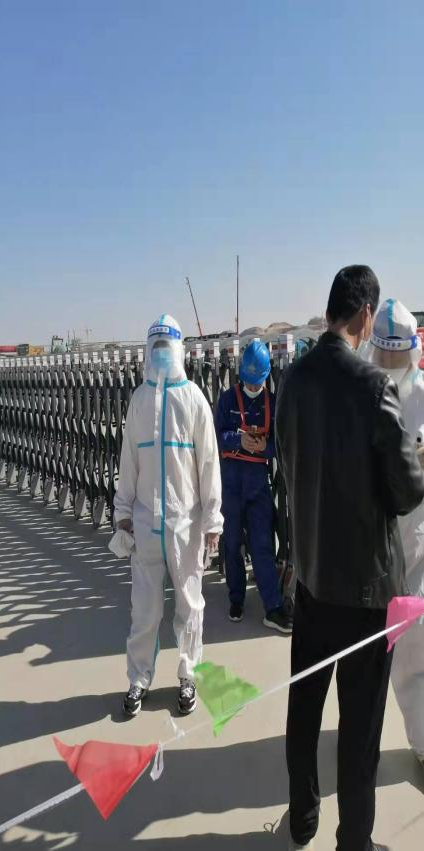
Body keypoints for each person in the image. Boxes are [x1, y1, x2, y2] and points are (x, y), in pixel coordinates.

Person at [275, 266, 424, 851]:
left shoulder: (293, 380)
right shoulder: (372, 386)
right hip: (365, 594)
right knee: (359, 731)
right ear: (365, 314)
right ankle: (353, 841)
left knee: (304, 708)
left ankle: (302, 819)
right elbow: (406, 492)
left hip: (312, 580)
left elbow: (287, 465)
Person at [114, 314, 223, 717]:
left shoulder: (193, 399)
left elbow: (209, 465)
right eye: (155, 347)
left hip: (185, 524)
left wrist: (212, 521)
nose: (161, 354)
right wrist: (123, 511)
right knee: (144, 610)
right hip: (146, 525)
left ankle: (188, 675)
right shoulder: (139, 401)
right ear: (148, 351)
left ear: (178, 350)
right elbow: (129, 462)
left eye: (166, 347)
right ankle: (138, 678)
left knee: (189, 606)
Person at [365, 299, 424, 770]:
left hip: (417, 536)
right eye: (382, 355)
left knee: (413, 643)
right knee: (368, 650)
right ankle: (361, 730)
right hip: (372, 538)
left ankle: (421, 740)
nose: (389, 364)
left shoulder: (423, 394)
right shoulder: (362, 393)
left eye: (395, 356)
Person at [215, 339, 292, 633]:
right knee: (232, 543)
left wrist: (264, 448)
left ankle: (272, 607)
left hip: (258, 482)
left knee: (262, 544)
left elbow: (281, 444)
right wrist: (238, 440)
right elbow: (215, 438)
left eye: (257, 382)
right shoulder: (227, 400)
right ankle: (236, 598)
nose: (252, 387)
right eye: (248, 381)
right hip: (231, 482)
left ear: (265, 376)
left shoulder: (272, 402)